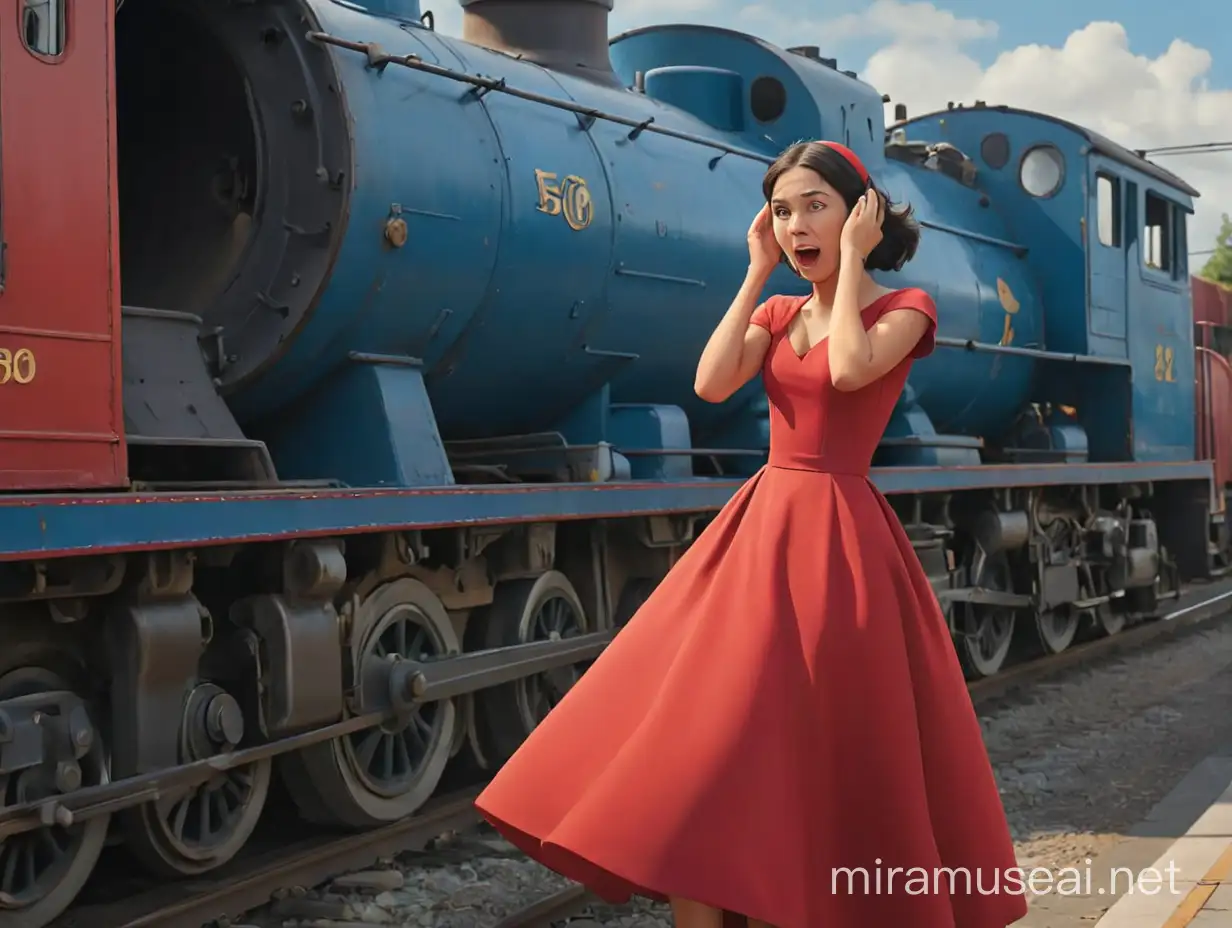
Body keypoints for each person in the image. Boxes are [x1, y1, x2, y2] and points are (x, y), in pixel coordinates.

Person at [474, 140, 1029, 928]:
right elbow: (710, 383)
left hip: (840, 548)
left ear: (859, 211)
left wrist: (852, 265)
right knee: (704, 753)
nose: (796, 224)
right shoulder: (776, 311)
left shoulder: (906, 311)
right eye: (781, 210)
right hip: (758, 536)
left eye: (815, 207)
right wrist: (754, 274)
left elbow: (847, 371)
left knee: (812, 758)